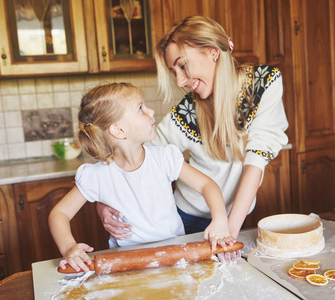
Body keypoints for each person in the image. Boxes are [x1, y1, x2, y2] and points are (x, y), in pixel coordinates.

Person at [97, 15, 288, 247]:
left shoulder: (264, 83)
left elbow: (255, 161)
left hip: (234, 217)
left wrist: (228, 231)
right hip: (186, 217)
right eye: (174, 71)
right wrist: (104, 204)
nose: (179, 81)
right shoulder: (187, 111)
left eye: (182, 66)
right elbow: (132, 155)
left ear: (212, 51)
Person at [48, 82, 234, 272]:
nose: (151, 111)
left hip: (176, 256)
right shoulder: (96, 175)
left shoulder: (164, 158)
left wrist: (219, 220)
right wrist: (69, 247)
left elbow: (207, 185)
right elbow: (59, 214)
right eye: (140, 108)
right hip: (129, 264)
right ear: (118, 130)